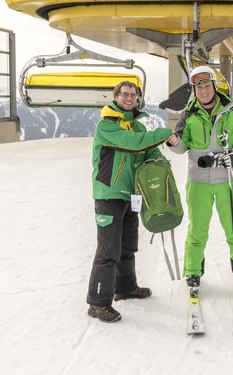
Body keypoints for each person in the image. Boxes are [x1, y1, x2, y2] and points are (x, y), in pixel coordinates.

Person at [87, 81, 174, 323]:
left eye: (133, 95)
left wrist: (159, 160)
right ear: (115, 97)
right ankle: (97, 302)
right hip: (109, 194)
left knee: (128, 246)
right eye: (124, 94)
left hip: (131, 194)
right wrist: (165, 133)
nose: (129, 98)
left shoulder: (135, 125)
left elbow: (146, 150)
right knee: (108, 250)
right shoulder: (107, 126)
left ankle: (125, 287)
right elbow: (133, 143)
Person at [166, 65, 233, 289]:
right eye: (199, 88)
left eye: (207, 86)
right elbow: (181, 143)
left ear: (214, 86)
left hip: (228, 178)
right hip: (198, 181)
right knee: (197, 228)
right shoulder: (189, 113)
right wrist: (173, 143)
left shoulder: (232, 108)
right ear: (194, 91)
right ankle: (193, 270)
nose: (204, 91)